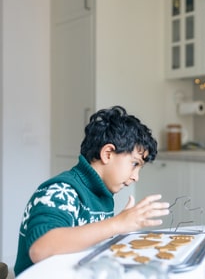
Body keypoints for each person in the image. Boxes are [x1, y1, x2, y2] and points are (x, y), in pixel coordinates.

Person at [14, 106, 169, 275]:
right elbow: (40, 249)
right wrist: (117, 224)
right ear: (108, 153)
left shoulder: (103, 196)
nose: (136, 177)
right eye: (134, 164)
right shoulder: (61, 190)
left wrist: (119, 230)